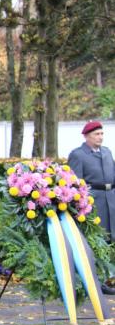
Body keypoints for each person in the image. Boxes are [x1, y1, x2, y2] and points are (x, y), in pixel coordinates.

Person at [68, 120, 115, 295]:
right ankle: (97, 283)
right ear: (86, 136)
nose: (100, 137)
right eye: (97, 134)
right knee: (96, 242)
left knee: (111, 242)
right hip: (94, 203)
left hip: (111, 201)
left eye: (102, 133)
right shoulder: (78, 155)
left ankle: (109, 279)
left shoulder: (107, 152)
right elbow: (75, 184)